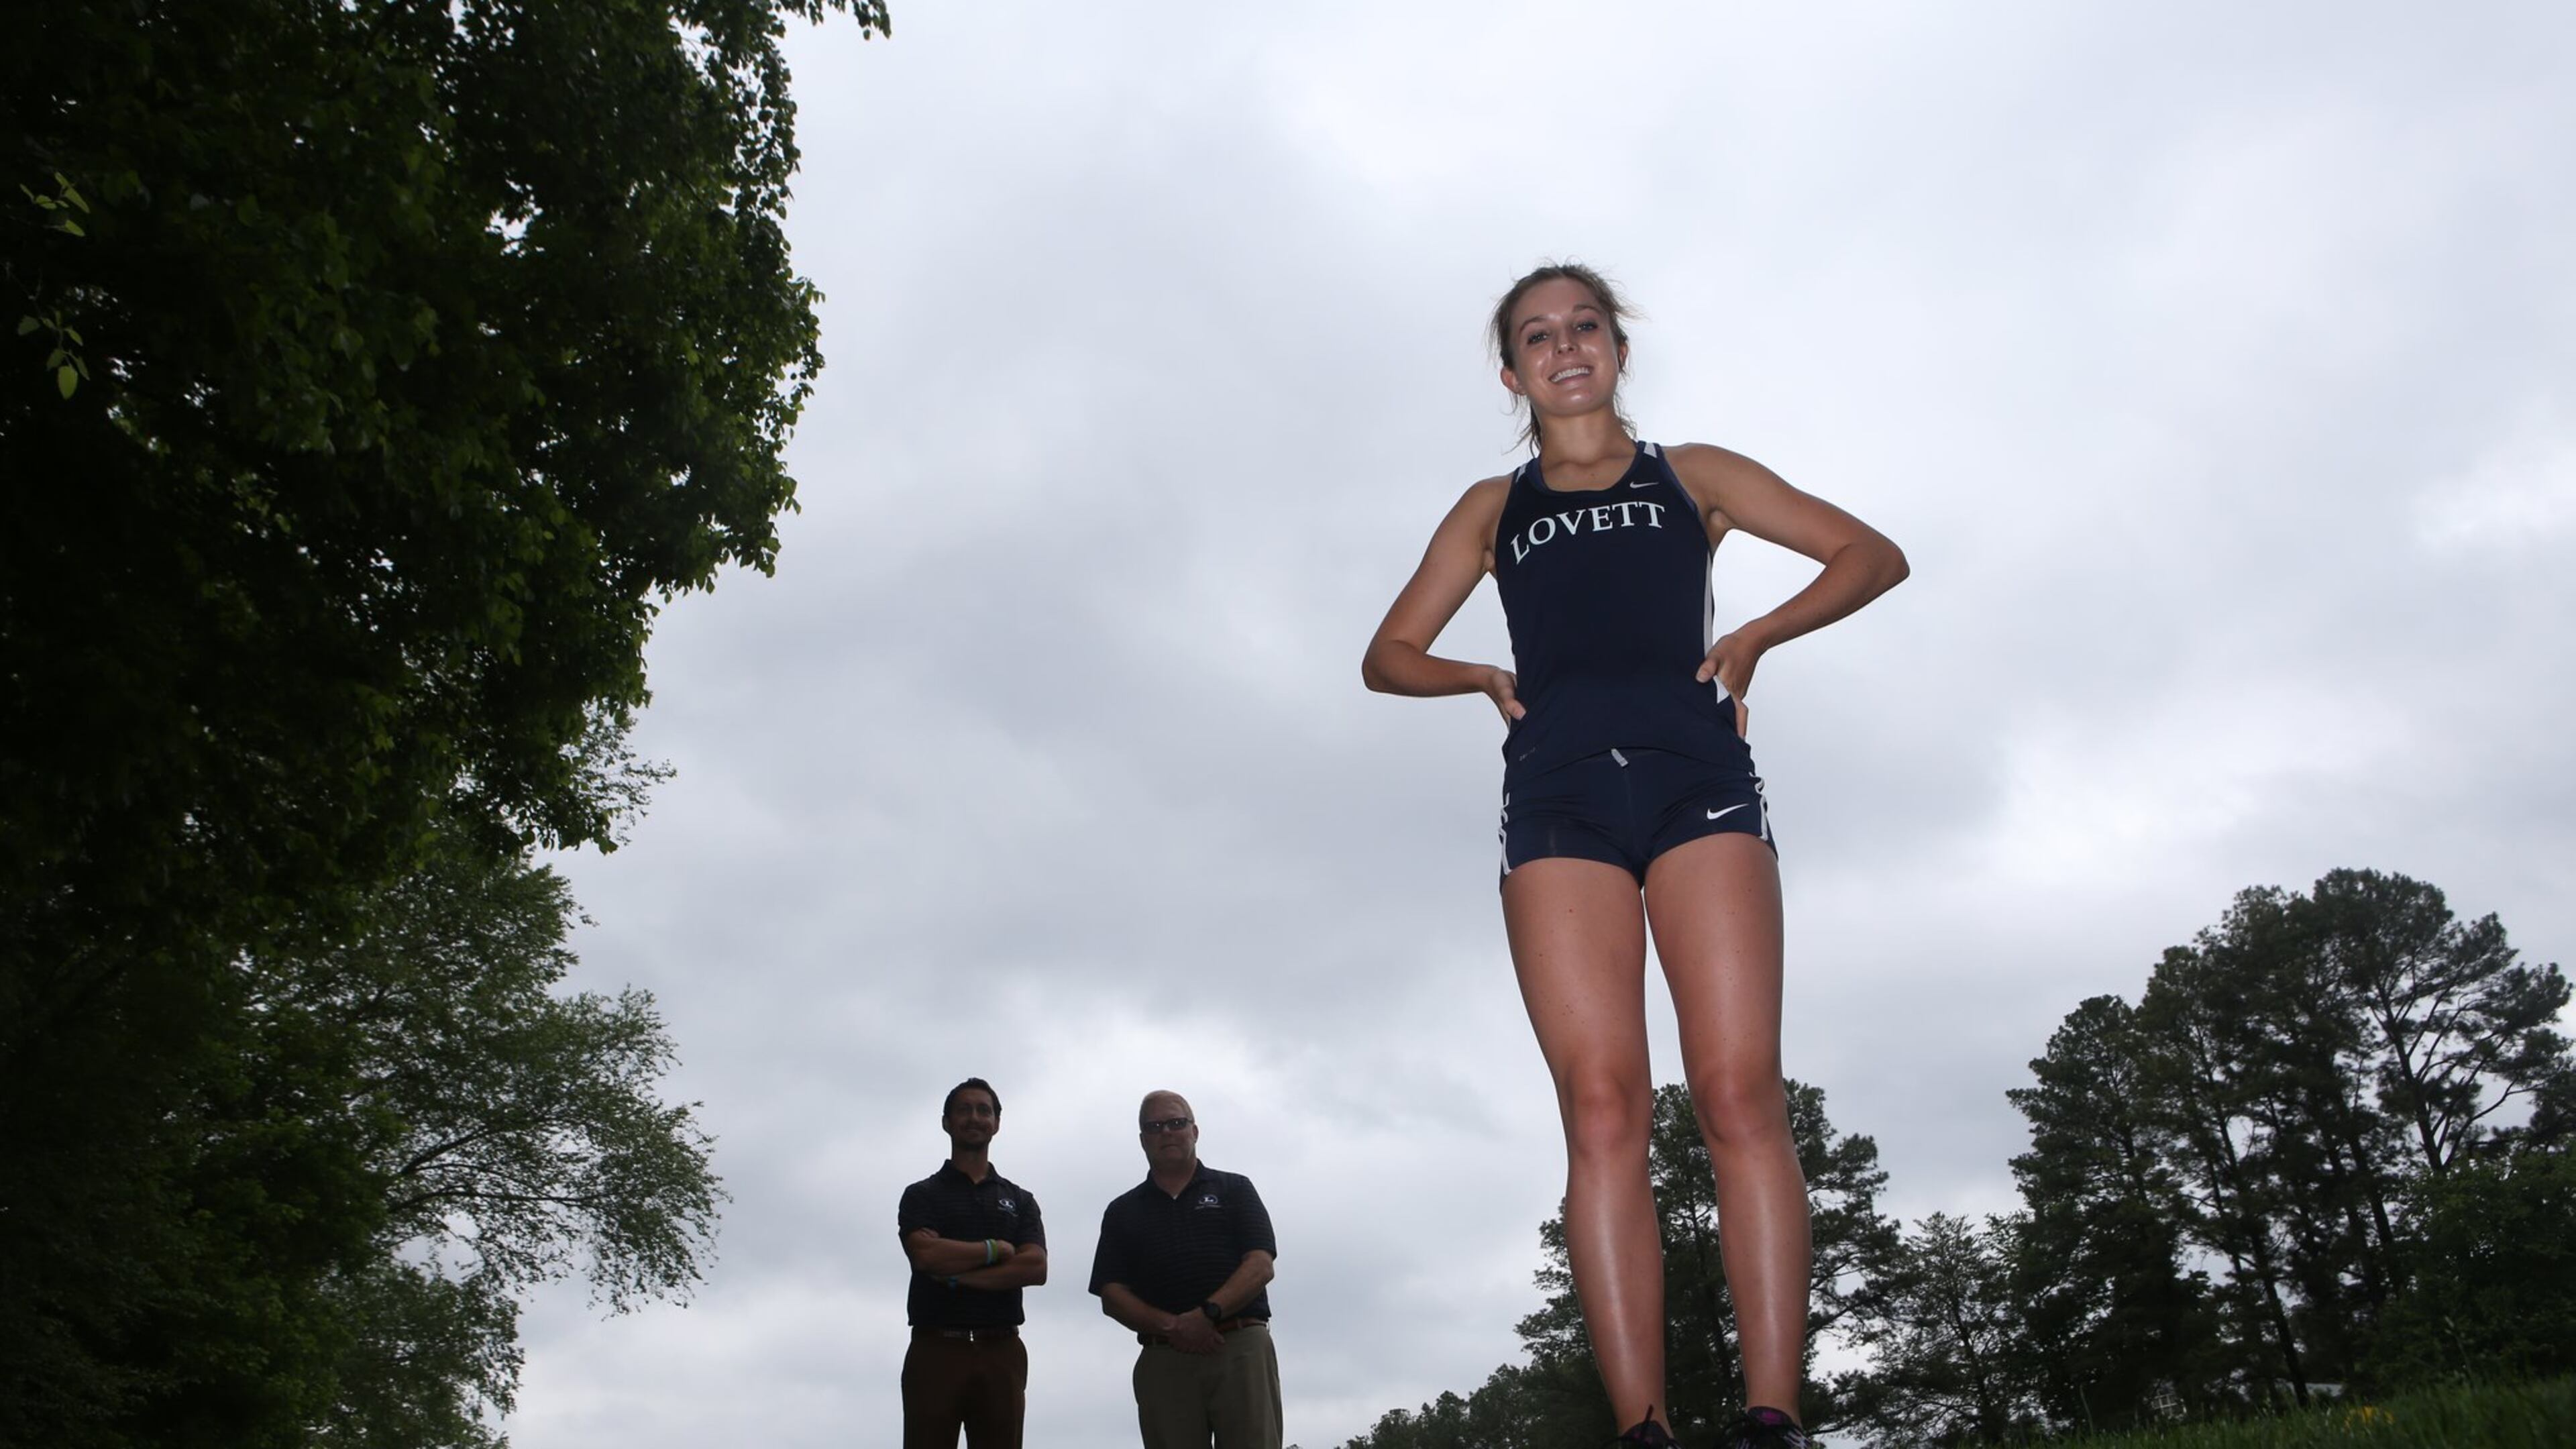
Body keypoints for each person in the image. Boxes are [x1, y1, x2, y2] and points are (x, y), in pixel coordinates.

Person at [1360, 262, 1907, 1449]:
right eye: (1539, 337)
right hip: (1557, 805)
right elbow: (1388, 653)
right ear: (1513, 372)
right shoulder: (1489, 509)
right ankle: (1642, 1430)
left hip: (1698, 787)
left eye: (1586, 327)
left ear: (1617, 347)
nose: (1567, 348)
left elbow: (1871, 555)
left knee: (1735, 1091)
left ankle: (1773, 1418)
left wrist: (1759, 632)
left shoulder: (1692, 478)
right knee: (1603, 1110)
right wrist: (1480, 674)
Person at [1088, 1090, 1282, 1449]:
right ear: (1143, 1139)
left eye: (1177, 1123)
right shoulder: (1122, 1211)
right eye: (1155, 1126)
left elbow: (1260, 1264)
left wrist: (1208, 1313)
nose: (1167, 1132)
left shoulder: (1235, 1189)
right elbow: (1111, 1294)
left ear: (1195, 1131)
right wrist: (1174, 1326)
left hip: (1240, 1347)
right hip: (1164, 1356)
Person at [897, 1077, 1050, 1449]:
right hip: (935, 1348)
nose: (974, 1117)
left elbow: (1035, 1268)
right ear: (947, 1122)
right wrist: (995, 1250)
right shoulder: (922, 1195)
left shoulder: (1020, 1199)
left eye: (984, 1110)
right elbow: (926, 1255)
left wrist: (956, 1277)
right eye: (964, 1110)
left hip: (1001, 1349)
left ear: (997, 1123)